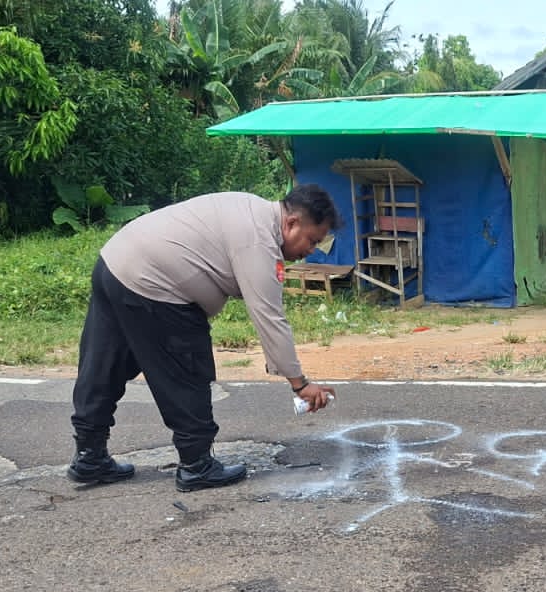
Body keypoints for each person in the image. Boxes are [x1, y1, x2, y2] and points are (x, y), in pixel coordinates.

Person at [67, 184, 341, 493]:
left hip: (114, 264)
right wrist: (300, 384)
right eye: (312, 240)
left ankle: (89, 456)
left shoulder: (250, 207)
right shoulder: (259, 241)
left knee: (104, 363)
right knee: (185, 369)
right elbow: (269, 316)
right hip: (156, 284)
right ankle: (196, 465)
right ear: (292, 223)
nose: (311, 250)